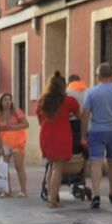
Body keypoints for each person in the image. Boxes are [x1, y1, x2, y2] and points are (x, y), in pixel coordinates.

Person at [80, 63, 112, 209]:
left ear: (98, 76)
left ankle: (96, 195)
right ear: (111, 75)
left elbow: (85, 115)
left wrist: (83, 135)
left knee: (96, 163)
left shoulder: (91, 92)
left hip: (96, 131)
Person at [37, 73, 79, 209]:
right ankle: (52, 199)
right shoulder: (68, 101)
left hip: (46, 133)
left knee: (50, 165)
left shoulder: (43, 100)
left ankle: (51, 195)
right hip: (61, 134)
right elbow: (79, 115)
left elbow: (39, 119)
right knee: (58, 168)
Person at [0, 92, 29, 197]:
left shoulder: (17, 112)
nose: (8, 102)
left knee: (18, 165)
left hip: (18, 141)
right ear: (1, 102)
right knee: (4, 166)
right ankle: (7, 190)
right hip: (5, 143)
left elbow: (26, 124)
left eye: (9, 99)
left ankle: (23, 190)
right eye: (5, 100)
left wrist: (12, 127)